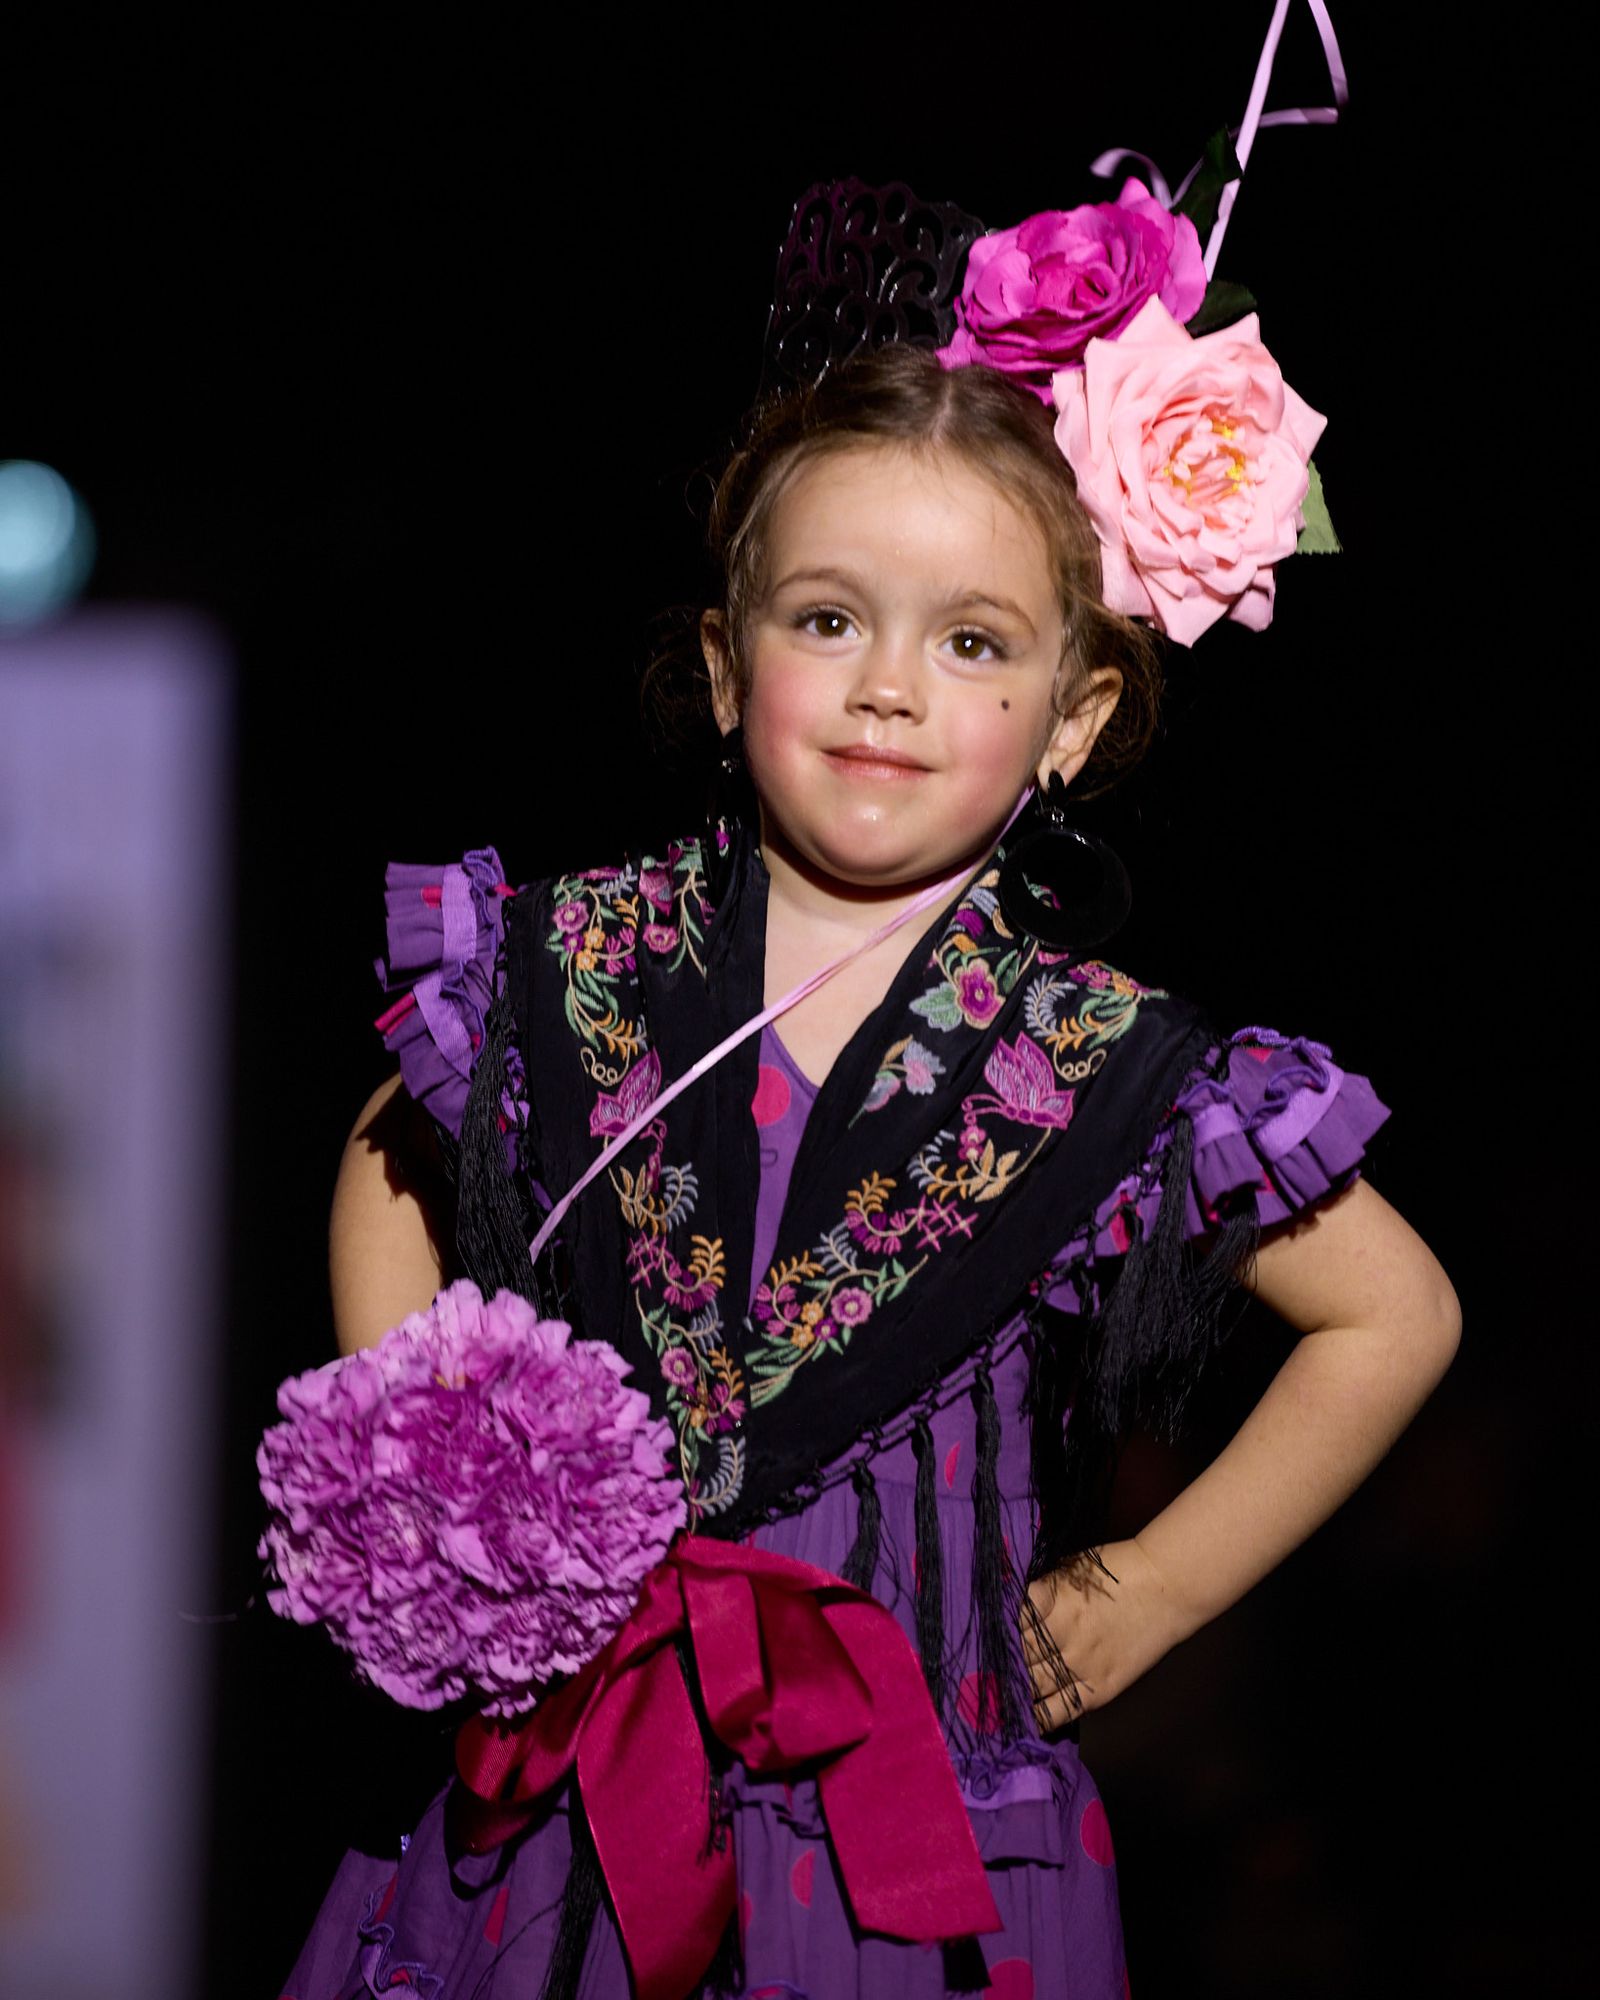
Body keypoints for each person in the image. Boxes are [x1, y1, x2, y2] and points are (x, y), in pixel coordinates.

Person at [278, 291, 1457, 1995]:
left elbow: (1395, 1313)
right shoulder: (571, 959)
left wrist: (1149, 1592)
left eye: (972, 644)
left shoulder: (1104, 1060)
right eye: (829, 620)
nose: (890, 687)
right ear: (719, 660)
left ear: (1075, 718)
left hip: (918, 1829)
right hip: (568, 1792)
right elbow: (391, 1160)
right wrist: (427, 1461)